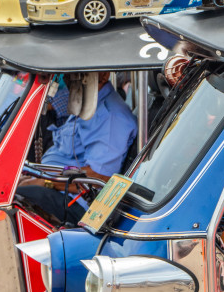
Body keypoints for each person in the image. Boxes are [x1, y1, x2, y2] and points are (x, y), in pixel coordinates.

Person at [16, 73, 137, 223]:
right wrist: (38, 176)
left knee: (17, 197)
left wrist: (47, 181)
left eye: (79, 74)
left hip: (77, 202)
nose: (67, 79)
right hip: (57, 185)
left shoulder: (112, 116)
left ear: (104, 75)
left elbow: (99, 176)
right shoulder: (89, 103)